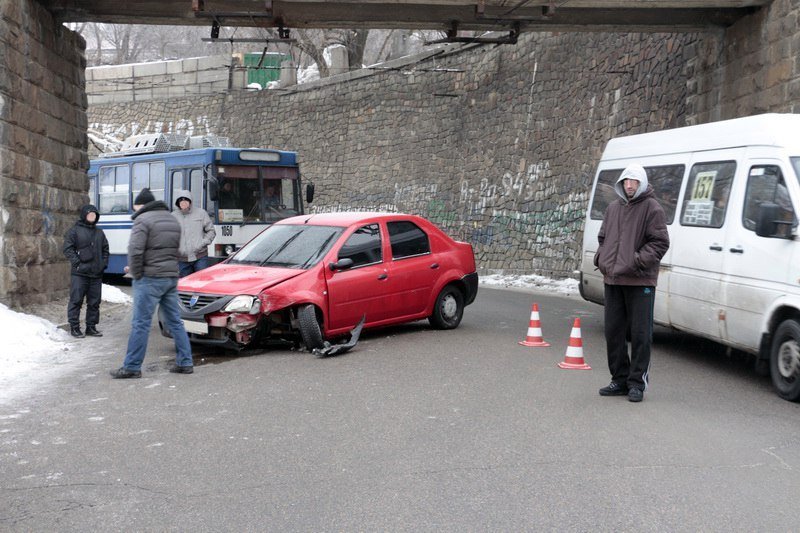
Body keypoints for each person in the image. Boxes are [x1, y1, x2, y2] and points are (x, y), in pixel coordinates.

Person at [594, 164, 670, 403]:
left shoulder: (652, 208)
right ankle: (619, 379)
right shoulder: (613, 208)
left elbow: (660, 243)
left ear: (642, 183)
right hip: (613, 279)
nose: (629, 185)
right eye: (626, 181)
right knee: (613, 332)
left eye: (634, 181)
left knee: (640, 334)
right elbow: (603, 237)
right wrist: (601, 259)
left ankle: (637, 383)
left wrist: (636, 261)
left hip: (640, 282)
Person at [110, 188, 194, 379]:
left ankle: (132, 366)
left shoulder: (142, 220)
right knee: (175, 321)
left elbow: (135, 250)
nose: (135, 209)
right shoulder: (172, 219)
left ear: (142, 205)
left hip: (149, 278)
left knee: (141, 323)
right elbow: (176, 249)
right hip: (171, 276)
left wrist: (136, 273)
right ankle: (185, 361)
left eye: (136, 206)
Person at [63, 204, 109, 338]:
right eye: (90, 215)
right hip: (80, 274)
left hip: (96, 274)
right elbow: (68, 249)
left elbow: (105, 250)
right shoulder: (74, 231)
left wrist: (103, 264)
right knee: (76, 300)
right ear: (84, 215)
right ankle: (75, 327)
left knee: (94, 302)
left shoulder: (99, 232)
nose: (92, 217)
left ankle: (91, 327)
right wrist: (77, 263)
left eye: (94, 215)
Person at [172, 189, 216, 277]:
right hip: (182, 260)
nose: (183, 202)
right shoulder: (172, 216)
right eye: (181, 200)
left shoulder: (201, 213)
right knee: (185, 286)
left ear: (190, 201)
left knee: (202, 283)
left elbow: (211, 231)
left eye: (186, 200)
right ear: (177, 202)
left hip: (200, 257)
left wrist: (202, 243)